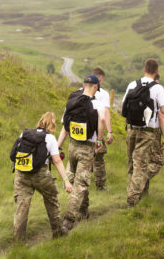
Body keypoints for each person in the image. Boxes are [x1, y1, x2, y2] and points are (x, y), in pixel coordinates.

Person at [11, 112, 73, 242]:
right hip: (40, 174)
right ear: (52, 125)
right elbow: (57, 161)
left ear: (39, 122)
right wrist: (66, 181)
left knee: (22, 206)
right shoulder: (49, 138)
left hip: (21, 173)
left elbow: (15, 153)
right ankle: (57, 233)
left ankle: (19, 242)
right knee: (51, 199)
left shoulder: (24, 134)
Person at [58, 75, 105, 231]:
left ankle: (84, 210)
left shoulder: (73, 99)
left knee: (79, 179)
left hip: (72, 146)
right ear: (96, 87)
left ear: (84, 85)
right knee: (81, 184)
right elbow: (102, 121)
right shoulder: (96, 102)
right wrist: (99, 141)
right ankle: (68, 220)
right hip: (86, 148)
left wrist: (57, 146)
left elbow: (65, 125)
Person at [122, 58, 164, 207]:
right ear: (157, 72)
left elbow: (123, 106)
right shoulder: (157, 88)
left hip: (131, 129)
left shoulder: (132, 84)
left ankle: (138, 190)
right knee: (144, 166)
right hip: (148, 131)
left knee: (133, 164)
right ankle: (132, 199)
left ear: (144, 69)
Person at [91, 67, 114, 191]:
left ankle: (71, 181)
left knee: (80, 156)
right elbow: (105, 114)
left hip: (82, 130)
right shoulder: (103, 93)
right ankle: (100, 186)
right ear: (100, 79)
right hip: (96, 130)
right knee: (99, 159)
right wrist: (109, 132)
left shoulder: (80, 90)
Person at [144, 73, 164, 195]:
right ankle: (138, 180)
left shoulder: (137, 87)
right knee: (157, 161)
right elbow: (162, 115)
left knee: (143, 161)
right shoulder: (157, 91)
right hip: (152, 131)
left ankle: (143, 192)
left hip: (136, 129)